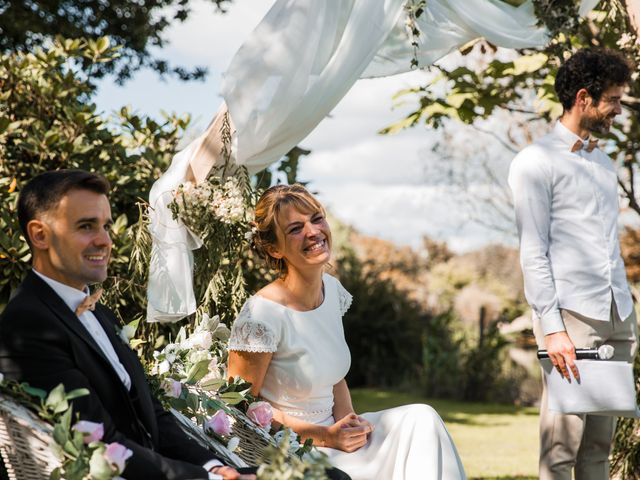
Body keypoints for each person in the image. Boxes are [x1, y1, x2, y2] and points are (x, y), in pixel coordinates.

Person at [0, 170, 255, 480]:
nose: (105, 241)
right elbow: (99, 442)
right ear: (40, 235)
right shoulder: (29, 323)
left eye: (106, 226)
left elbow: (154, 416)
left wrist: (214, 466)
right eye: (86, 226)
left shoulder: (101, 313)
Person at [227, 184, 466, 480]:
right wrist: (324, 436)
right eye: (295, 229)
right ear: (275, 248)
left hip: (336, 433)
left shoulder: (333, 291)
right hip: (294, 447)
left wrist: (349, 422)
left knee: (422, 419)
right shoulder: (261, 315)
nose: (314, 232)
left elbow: (334, 376)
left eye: (317, 219)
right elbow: (240, 403)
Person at [508, 48, 638, 480]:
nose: (619, 109)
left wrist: (628, 314)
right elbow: (533, 250)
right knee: (562, 449)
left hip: (616, 316)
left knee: (599, 448)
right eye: (614, 100)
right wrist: (553, 327)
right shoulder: (535, 162)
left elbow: (607, 248)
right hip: (572, 319)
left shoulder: (603, 163)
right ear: (584, 97)